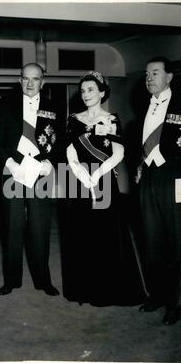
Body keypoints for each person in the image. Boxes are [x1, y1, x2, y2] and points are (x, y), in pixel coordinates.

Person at [62, 71, 147, 307]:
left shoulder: (111, 120)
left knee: (104, 234)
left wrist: (97, 174)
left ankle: (106, 289)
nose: (86, 94)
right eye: (83, 90)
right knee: (81, 233)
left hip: (104, 180)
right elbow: (70, 151)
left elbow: (119, 152)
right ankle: (84, 288)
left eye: (91, 90)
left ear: (101, 92)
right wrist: (80, 173)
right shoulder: (74, 119)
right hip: (78, 181)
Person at [134, 57, 181, 325]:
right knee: (151, 240)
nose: (149, 78)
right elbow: (147, 144)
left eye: (156, 73)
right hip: (149, 179)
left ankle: (176, 302)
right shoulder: (144, 107)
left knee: (176, 243)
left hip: (177, 181)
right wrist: (140, 164)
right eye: (147, 73)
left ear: (170, 77)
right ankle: (157, 294)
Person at [0, 62, 60, 297]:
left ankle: (43, 280)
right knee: (12, 227)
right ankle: (11, 280)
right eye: (26, 79)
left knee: (40, 228)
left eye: (36, 79)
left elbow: (60, 142)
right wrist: (10, 164)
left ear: (43, 81)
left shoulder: (54, 107)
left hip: (40, 173)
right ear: (20, 80)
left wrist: (50, 163)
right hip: (14, 172)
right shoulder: (5, 106)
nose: (30, 83)